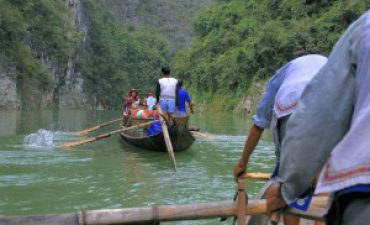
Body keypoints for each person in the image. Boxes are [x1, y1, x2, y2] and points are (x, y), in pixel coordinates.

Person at [265, 10, 370, 225]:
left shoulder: (363, 29)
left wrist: (286, 187)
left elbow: (321, 119)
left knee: (299, 192)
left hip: (364, 187)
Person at [233, 54, 327, 225]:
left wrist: (242, 163)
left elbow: (258, 126)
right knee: (323, 183)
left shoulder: (282, 75)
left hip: (289, 108)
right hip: (326, 105)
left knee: (290, 184)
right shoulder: (332, 65)